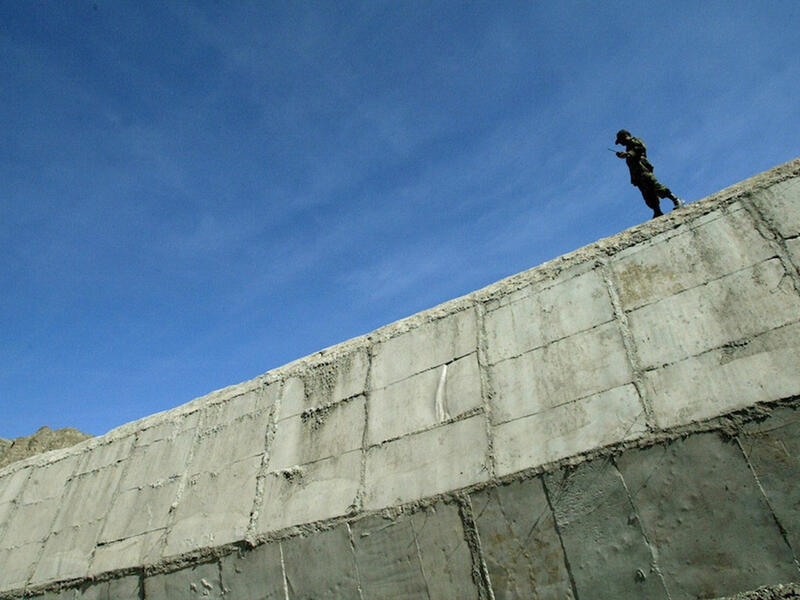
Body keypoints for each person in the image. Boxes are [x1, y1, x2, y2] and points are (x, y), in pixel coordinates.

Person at [615, 129, 684, 218]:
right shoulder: (628, 147)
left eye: (620, 141)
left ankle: (676, 200)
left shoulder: (634, 140)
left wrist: (628, 154)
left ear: (624, 136)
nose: (621, 143)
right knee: (648, 195)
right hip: (638, 175)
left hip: (644, 171)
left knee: (656, 186)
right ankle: (657, 211)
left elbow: (641, 148)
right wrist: (624, 154)